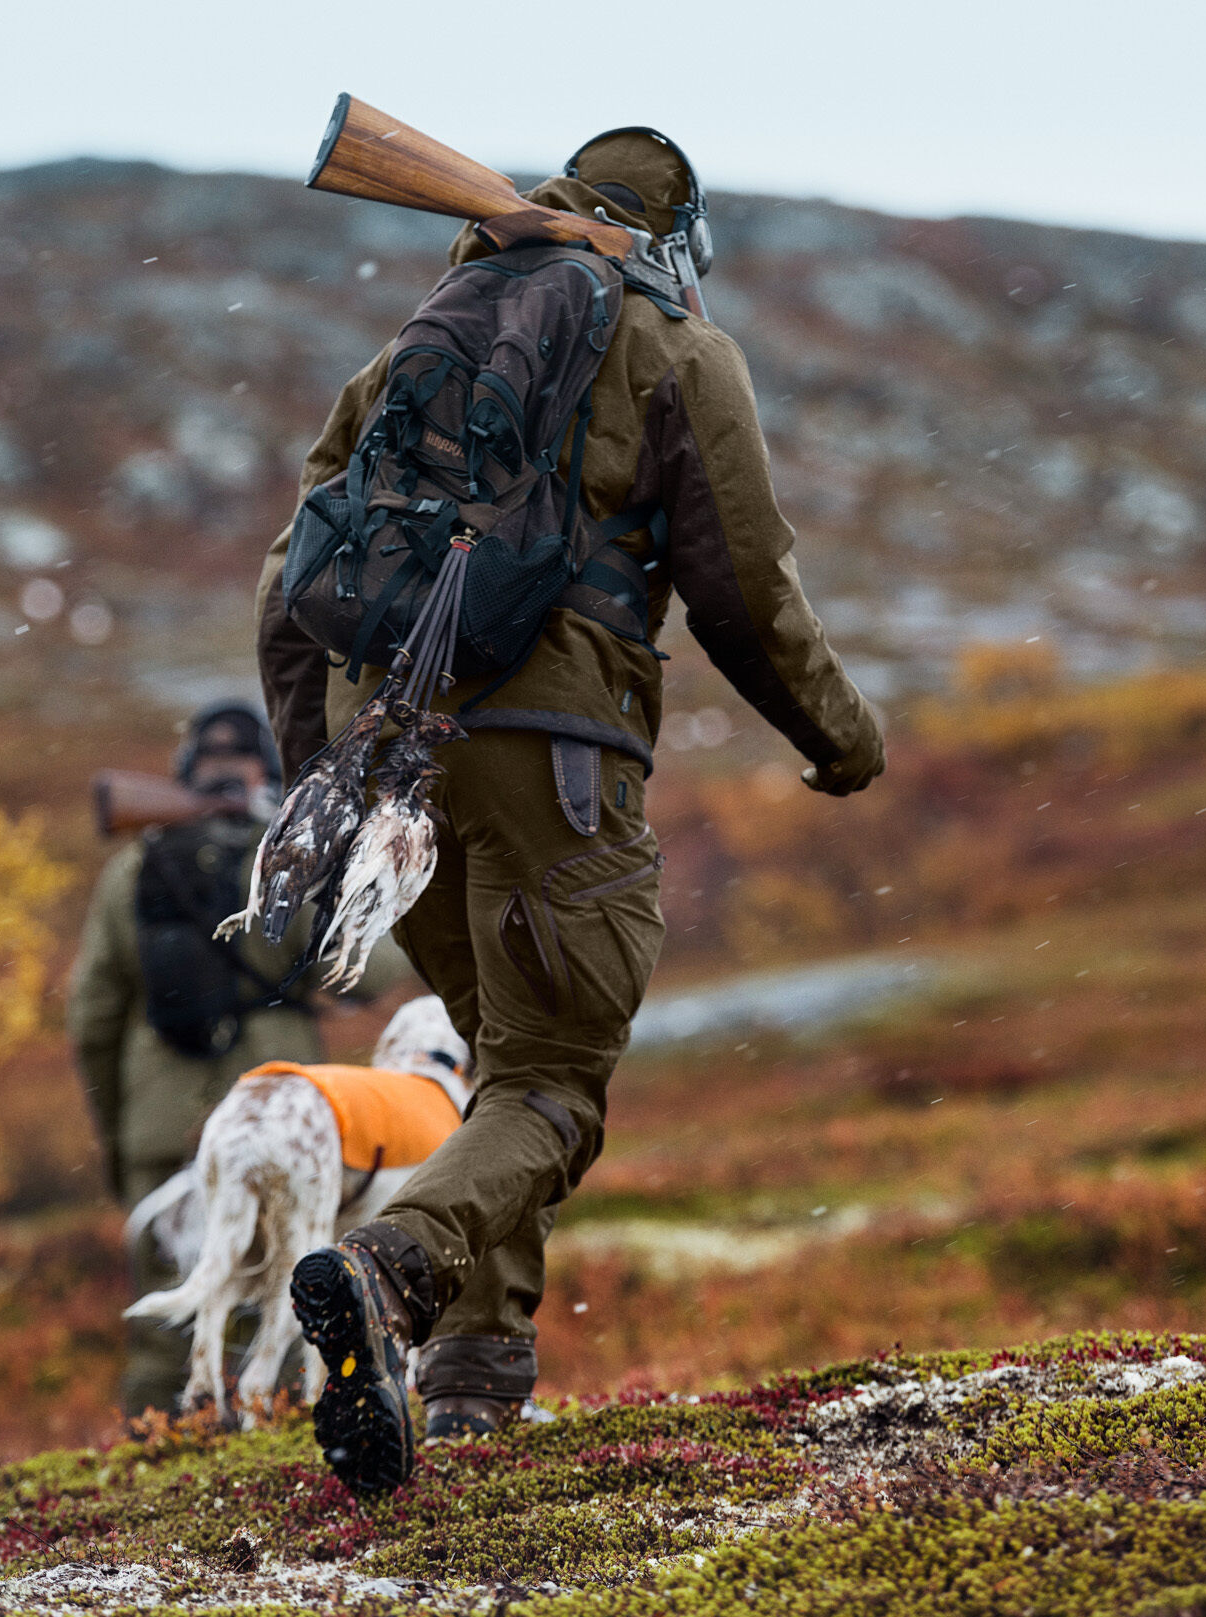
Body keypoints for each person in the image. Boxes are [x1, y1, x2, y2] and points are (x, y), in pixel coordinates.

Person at [255, 129, 885, 1487]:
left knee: (500, 1070)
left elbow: (288, 577)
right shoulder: (678, 350)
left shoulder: (416, 345)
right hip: (557, 761)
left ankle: (474, 1389)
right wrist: (842, 740)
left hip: (394, 772)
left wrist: (325, 771)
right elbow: (744, 588)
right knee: (549, 1083)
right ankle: (389, 1267)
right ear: (674, 239)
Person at [67, 698, 406, 1418]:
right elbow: (374, 971)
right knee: (280, 1317)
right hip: (273, 1129)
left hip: (161, 1134)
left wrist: (123, 1139)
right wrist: (322, 853)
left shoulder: (132, 870)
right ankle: (277, 1487)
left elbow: (93, 1020)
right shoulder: (286, 856)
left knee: (167, 1330)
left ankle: (148, 1493)